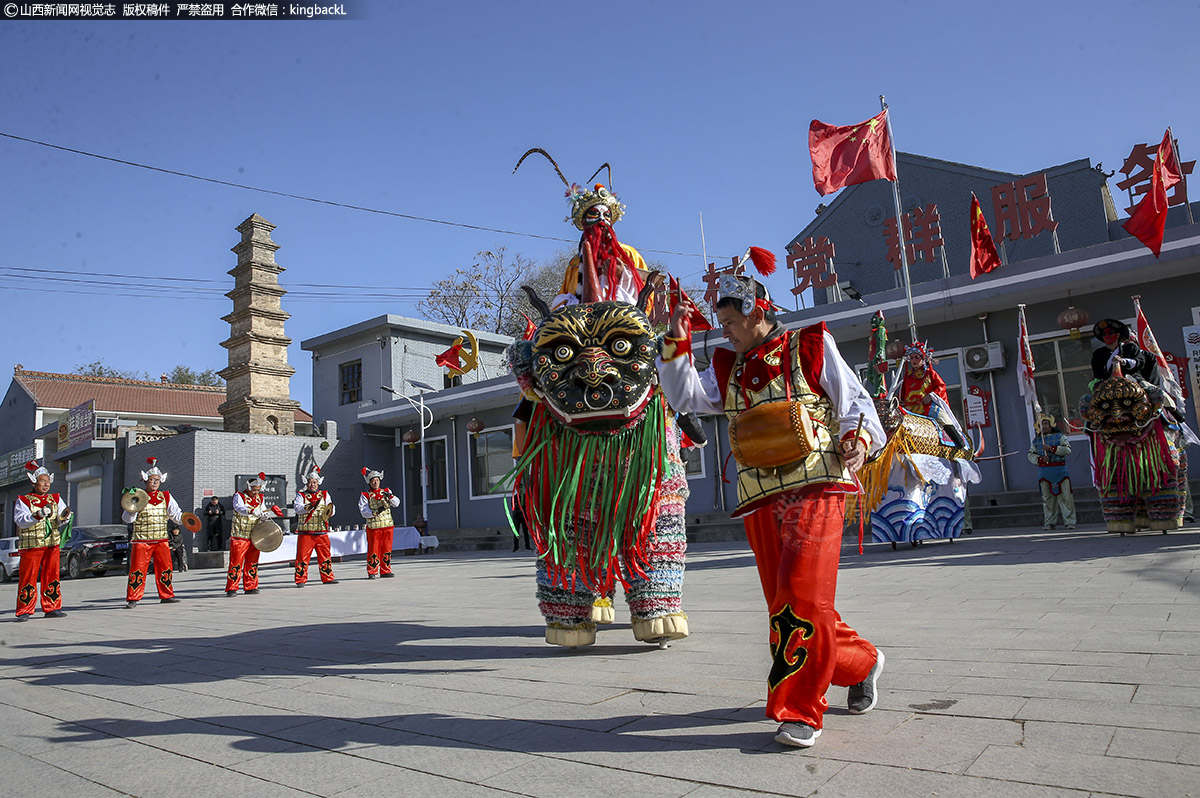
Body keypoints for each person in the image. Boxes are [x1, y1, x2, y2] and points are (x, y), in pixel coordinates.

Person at [655, 271, 886, 749]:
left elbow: (855, 404)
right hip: (760, 493)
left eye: (732, 321)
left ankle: (801, 710)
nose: (726, 331)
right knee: (785, 601)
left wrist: (858, 440)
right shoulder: (727, 366)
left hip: (817, 485)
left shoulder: (810, 345)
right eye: (721, 323)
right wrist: (674, 345)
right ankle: (861, 662)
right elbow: (682, 398)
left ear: (759, 313)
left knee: (802, 595)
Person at [120, 458, 182, 608]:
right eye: (152, 480)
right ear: (146, 480)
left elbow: (176, 515)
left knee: (165, 568)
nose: (155, 483)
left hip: (161, 539)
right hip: (142, 540)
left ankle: (166, 595)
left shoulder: (165, 496)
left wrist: (186, 519)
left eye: (158, 480)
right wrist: (132, 507)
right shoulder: (138, 496)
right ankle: (133, 598)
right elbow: (127, 519)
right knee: (138, 569)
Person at [12, 460, 70, 621]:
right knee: (28, 576)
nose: (46, 485)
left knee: (52, 575)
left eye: (48, 481)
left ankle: (52, 607)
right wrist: (37, 515)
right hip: (32, 545)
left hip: (52, 543)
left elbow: (59, 518)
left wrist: (65, 518)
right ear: (34, 482)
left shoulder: (55, 499)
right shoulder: (23, 500)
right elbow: (20, 520)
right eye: (42, 481)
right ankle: (25, 609)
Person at [899, 341, 966, 449]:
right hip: (910, 409)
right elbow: (903, 394)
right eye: (911, 358)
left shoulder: (930, 374)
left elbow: (941, 386)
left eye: (917, 357)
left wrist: (930, 396)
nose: (914, 360)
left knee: (944, 419)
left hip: (928, 407)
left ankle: (960, 444)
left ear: (923, 358)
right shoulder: (908, 377)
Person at [227, 473, 282, 596]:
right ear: (248, 487)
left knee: (252, 562)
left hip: (255, 535)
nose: (256, 493)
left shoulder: (260, 498)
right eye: (254, 490)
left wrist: (264, 515)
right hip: (240, 534)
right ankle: (232, 587)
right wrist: (252, 510)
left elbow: (262, 509)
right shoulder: (239, 496)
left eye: (258, 490)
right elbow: (239, 508)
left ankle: (251, 585)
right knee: (236, 562)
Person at [1028, 414, 1077, 530]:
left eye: (1046, 423)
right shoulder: (1036, 441)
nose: (1044, 426)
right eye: (1041, 424)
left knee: (1066, 497)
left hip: (1060, 471)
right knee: (1047, 499)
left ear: (1051, 425)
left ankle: (1070, 521)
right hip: (1044, 472)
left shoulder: (1060, 437)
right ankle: (1049, 522)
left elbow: (1067, 449)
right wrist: (1040, 459)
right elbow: (1031, 455)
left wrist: (1051, 449)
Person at [293, 466, 337, 587]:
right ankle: (300, 579)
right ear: (306, 483)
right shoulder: (301, 495)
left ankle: (327, 577)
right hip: (306, 532)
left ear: (318, 483)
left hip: (321, 530)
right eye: (310, 482)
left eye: (314, 482)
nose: (312, 484)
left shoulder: (325, 494)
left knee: (325, 556)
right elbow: (297, 508)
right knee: (302, 556)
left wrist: (329, 512)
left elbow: (331, 508)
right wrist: (308, 507)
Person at [359, 466, 400, 578]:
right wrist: (374, 513)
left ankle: (385, 570)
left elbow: (396, 503)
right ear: (369, 482)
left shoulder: (386, 491)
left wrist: (390, 496)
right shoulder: (365, 495)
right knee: (373, 549)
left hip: (387, 525)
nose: (375, 482)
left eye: (377, 480)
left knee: (386, 548)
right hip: (374, 526)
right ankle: (372, 571)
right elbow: (363, 511)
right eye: (373, 481)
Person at [1091, 318, 1157, 383]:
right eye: (1104, 334)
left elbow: (1140, 362)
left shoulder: (1130, 347)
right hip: (1109, 385)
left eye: (1110, 333)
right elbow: (1097, 374)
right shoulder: (1098, 354)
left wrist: (1123, 361)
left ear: (1118, 335)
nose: (1107, 336)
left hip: (1133, 381)